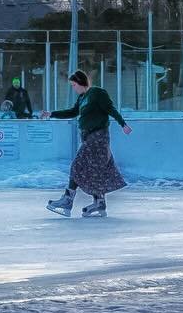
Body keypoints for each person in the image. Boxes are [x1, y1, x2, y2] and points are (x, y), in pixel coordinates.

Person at [41, 69, 131, 217]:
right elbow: (72, 112)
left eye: (74, 85)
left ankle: (68, 200)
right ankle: (99, 203)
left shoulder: (97, 93)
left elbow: (111, 109)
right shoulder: (82, 98)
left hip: (99, 137)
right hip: (88, 137)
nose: (73, 88)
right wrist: (52, 114)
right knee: (96, 170)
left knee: (78, 164)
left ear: (81, 82)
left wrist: (123, 124)